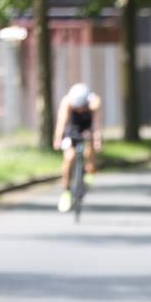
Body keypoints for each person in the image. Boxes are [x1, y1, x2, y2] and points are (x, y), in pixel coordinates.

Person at [53, 83, 103, 212]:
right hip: (73, 127)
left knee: (91, 147)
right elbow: (62, 122)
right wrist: (58, 139)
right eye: (77, 107)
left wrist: (97, 139)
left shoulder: (94, 103)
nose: (80, 110)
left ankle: (90, 171)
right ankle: (66, 191)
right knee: (69, 157)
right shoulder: (67, 102)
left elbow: (97, 125)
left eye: (82, 107)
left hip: (87, 127)